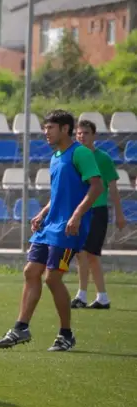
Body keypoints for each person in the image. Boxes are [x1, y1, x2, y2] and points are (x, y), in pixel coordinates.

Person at [0, 110, 102, 352]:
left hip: (68, 229)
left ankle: (66, 334)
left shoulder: (81, 153)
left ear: (65, 129)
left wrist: (76, 215)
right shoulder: (56, 156)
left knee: (52, 278)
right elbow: (59, 194)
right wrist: (43, 212)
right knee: (31, 271)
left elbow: (96, 187)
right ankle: (21, 327)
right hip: (51, 225)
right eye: (45, 128)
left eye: (50, 128)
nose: (46, 132)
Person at [71, 120, 126, 310]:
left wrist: (119, 214)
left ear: (93, 136)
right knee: (83, 254)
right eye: (79, 133)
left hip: (97, 210)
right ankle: (99, 297)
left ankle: (84, 295)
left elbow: (113, 187)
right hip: (80, 210)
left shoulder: (103, 158)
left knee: (88, 253)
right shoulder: (75, 157)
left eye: (86, 133)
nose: (82, 136)